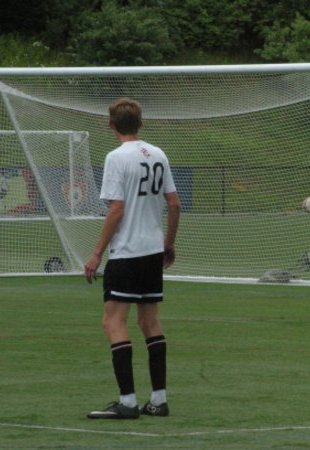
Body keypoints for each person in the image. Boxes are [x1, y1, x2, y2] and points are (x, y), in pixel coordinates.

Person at [84, 98, 180, 419]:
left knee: (113, 322)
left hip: (127, 253)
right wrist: (168, 243)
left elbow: (117, 209)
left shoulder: (116, 157)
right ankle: (158, 400)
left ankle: (127, 402)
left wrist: (96, 254)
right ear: (140, 123)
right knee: (149, 322)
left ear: (110, 125)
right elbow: (175, 203)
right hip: (153, 251)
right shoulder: (158, 154)